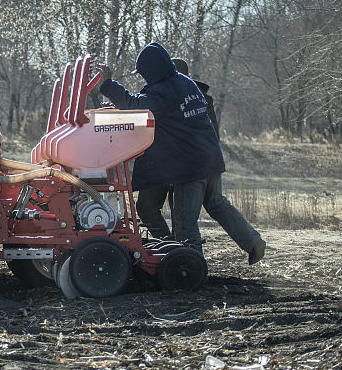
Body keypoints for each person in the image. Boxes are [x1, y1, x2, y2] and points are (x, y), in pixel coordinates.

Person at [95, 42, 246, 259]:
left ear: (153, 70)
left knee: (184, 223)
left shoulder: (166, 91)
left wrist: (108, 84)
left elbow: (137, 105)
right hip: (194, 162)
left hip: (186, 165)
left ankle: (189, 264)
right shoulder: (185, 85)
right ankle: (176, 252)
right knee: (212, 206)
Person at [170, 57, 265, 264]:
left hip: (191, 165)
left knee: (186, 220)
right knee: (216, 203)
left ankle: (191, 266)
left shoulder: (174, 96)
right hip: (212, 160)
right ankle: (253, 242)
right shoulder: (202, 97)